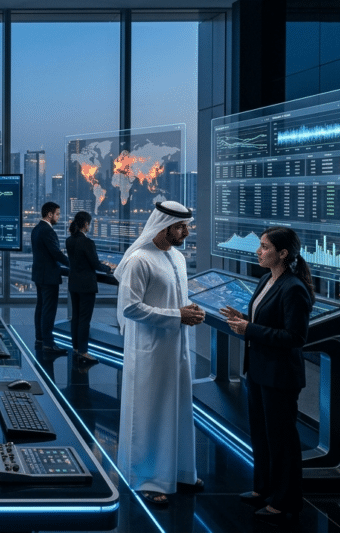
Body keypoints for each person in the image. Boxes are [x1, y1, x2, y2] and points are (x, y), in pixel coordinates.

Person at [220, 226, 313, 523]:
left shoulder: (294, 287)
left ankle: (285, 502)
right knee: (261, 436)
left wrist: (251, 329)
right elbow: (265, 321)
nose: (258, 251)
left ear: (282, 253)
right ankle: (264, 490)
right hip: (259, 371)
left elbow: (295, 337)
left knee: (282, 440)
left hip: (280, 375)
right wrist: (244, 319)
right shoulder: (265, 280)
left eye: (264, 247)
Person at [114, 200, 204, 505]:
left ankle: (179, 471)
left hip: (176, 347)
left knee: (176, 408)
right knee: (149, 412)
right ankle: (146, 479)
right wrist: (178, 316)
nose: (186, 232)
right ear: (164, 226)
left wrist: (188, 311)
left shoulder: (176, 257)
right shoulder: (140, 260)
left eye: (186, 226)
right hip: (149, 350)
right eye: (180, 227)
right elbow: (130, 307)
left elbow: (175, 298)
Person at [66, 211, 112, 365]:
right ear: (86, 224)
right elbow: (95, 264)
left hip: (74, 284)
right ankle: (84, 352)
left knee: (76, 318)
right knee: (85, 320)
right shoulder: (87, 243)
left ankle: (76, 348)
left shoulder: (69, 241)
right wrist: (110, 268)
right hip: (86, 286)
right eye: (89, 223)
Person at [31, 201, 70, 355]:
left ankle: (40, 338)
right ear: (49, 214)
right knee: (48, 310)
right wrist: (72, 263)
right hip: (49, 277)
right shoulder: (48, 231)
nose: (59, 217)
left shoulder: (36, 229)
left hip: (39, 275)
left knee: (40, 307)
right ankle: (48, 343)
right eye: (57, 214)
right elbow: (56, 253)